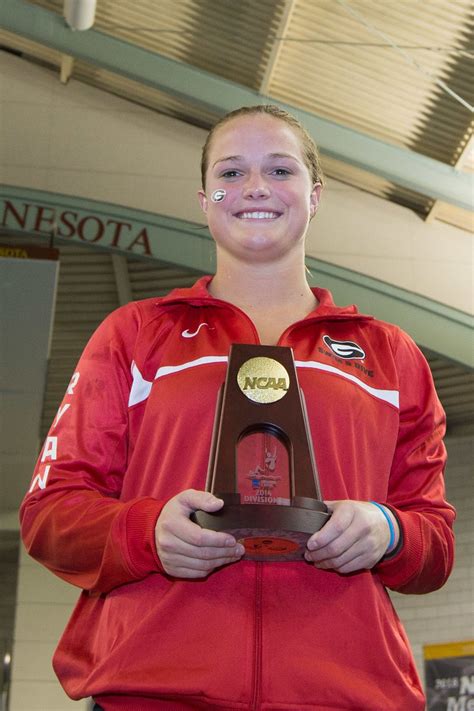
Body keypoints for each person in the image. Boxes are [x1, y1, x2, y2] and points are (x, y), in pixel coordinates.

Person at [21, 105, 455, 711]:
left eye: (280, 170)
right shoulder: (133, 336)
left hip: (345, 691)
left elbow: (433, 544)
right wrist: (146, 533)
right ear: (204, 199)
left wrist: (388, 531)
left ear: (315, 194)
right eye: (231, 173)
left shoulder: (391, 356)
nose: (254, 188)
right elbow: (49, 514)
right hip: (154, 690)